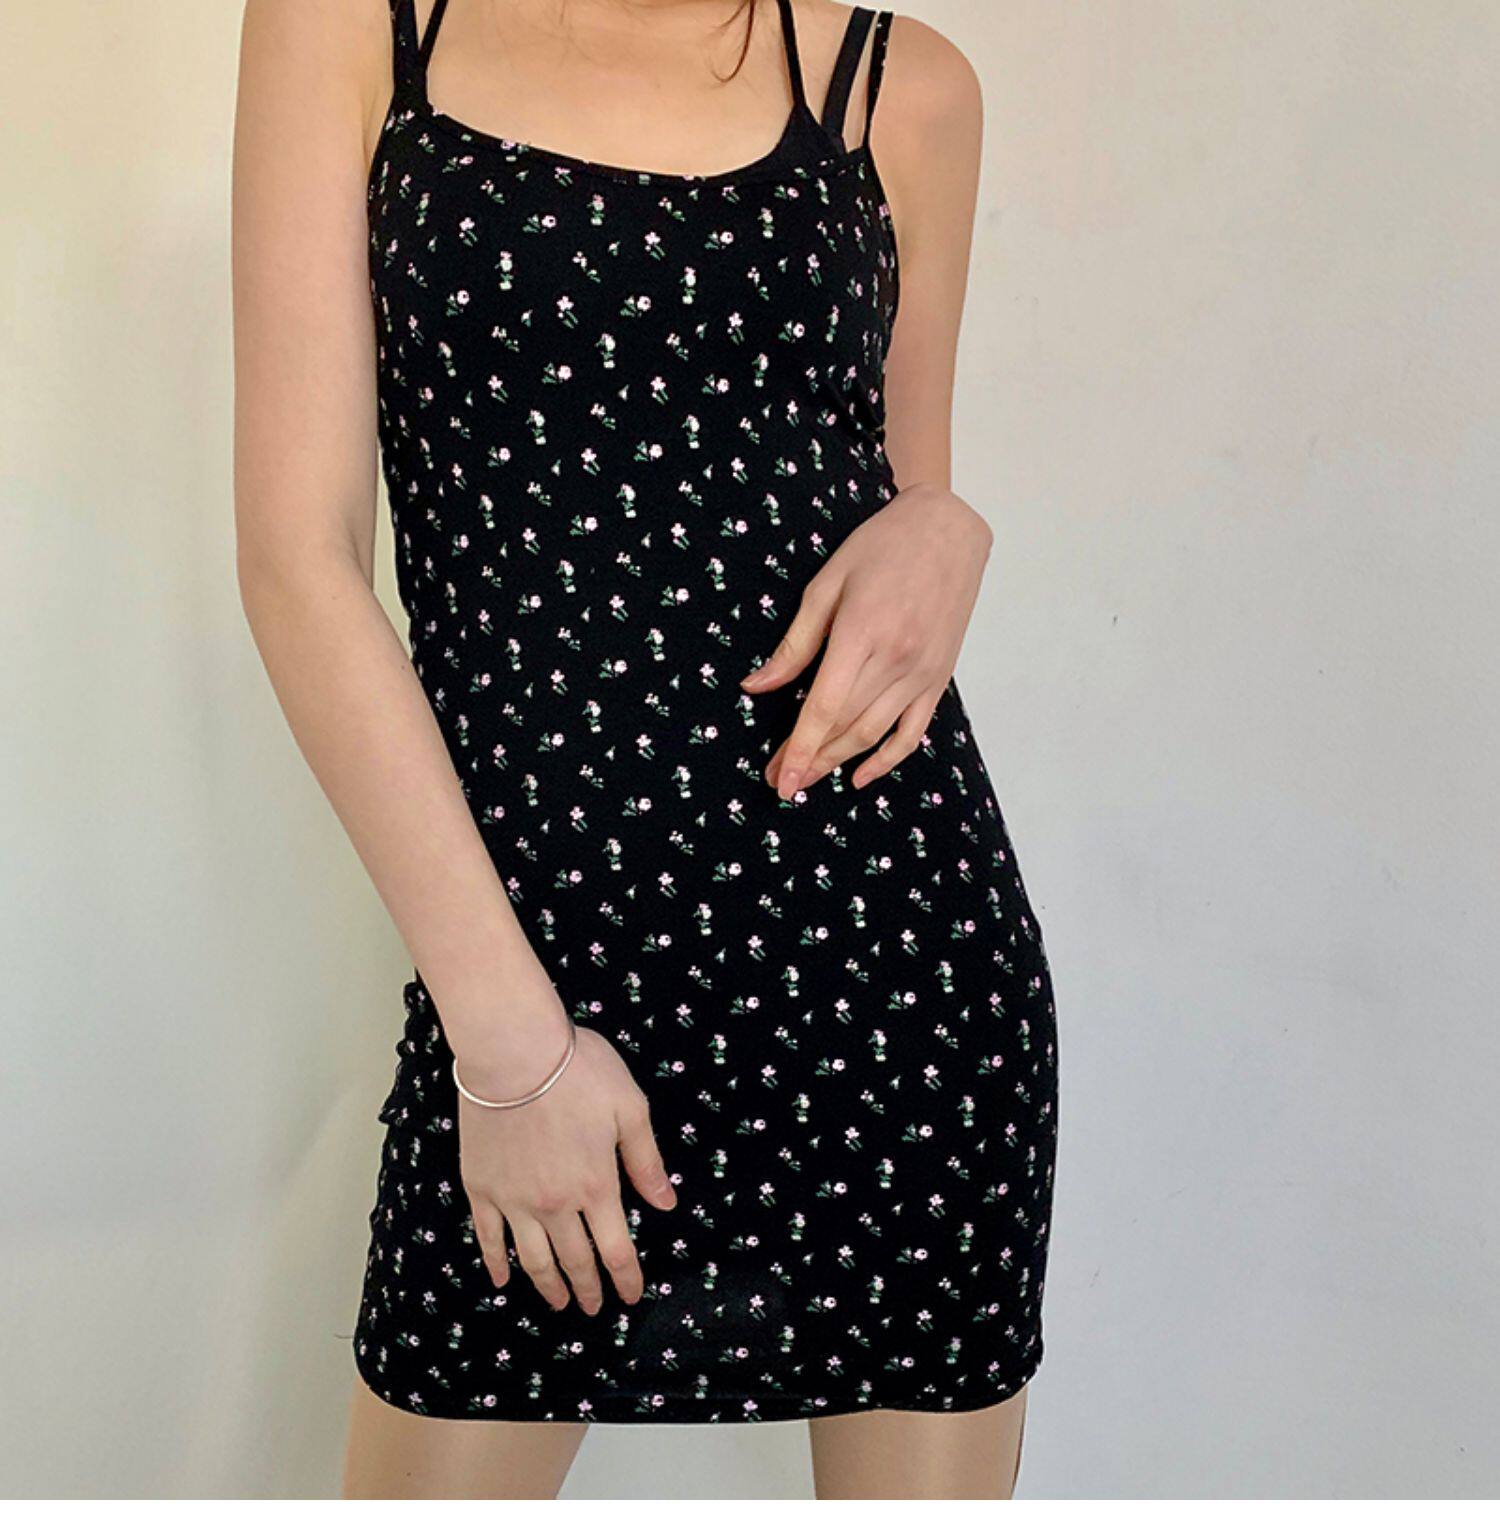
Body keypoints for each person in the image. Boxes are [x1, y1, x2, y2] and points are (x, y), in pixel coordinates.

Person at [233, 0, 1058, 1498]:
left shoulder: (905, 87)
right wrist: (510, 1053)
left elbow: (892, 526)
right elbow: (301, 563)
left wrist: (950, 525)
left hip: (889, 977)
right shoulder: (356, 29)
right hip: (529, 987)